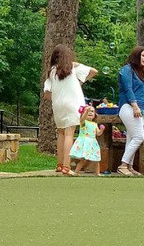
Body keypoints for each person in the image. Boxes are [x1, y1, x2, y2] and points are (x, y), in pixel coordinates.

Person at [42, 43, 97, 176]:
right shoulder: (73, 67)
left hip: (58, 106)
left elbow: (47, 94)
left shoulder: (52, 72)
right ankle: (67, 166)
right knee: (69, 134)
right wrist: (81, 82)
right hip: (73, 104)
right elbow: (94, 71)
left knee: (61, 133)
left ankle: (60, 164)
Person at [117, 45, 144, 176]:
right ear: (136, 56)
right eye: (143, 55)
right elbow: (128, 89)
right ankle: (123, 165)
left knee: (131, 137)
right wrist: (135, 106)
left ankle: (130, 167)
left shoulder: (141, 71)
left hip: (141, 108)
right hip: (128, 106)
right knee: (139, 137)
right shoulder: (126, 70)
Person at [70, 104, 105, 175]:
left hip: (92, 143)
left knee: (96, 159)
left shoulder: (95, 124)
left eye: (92, 111)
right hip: (85, 143)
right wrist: (86, 111)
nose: (90, 112)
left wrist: (101, 130)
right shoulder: (83, 122)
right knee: (83, 159)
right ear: (84, 113)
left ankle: (97, 173)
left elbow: (98, 133)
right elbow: (82, 118)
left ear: (95, 114)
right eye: (88, 111)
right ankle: (76, 172)